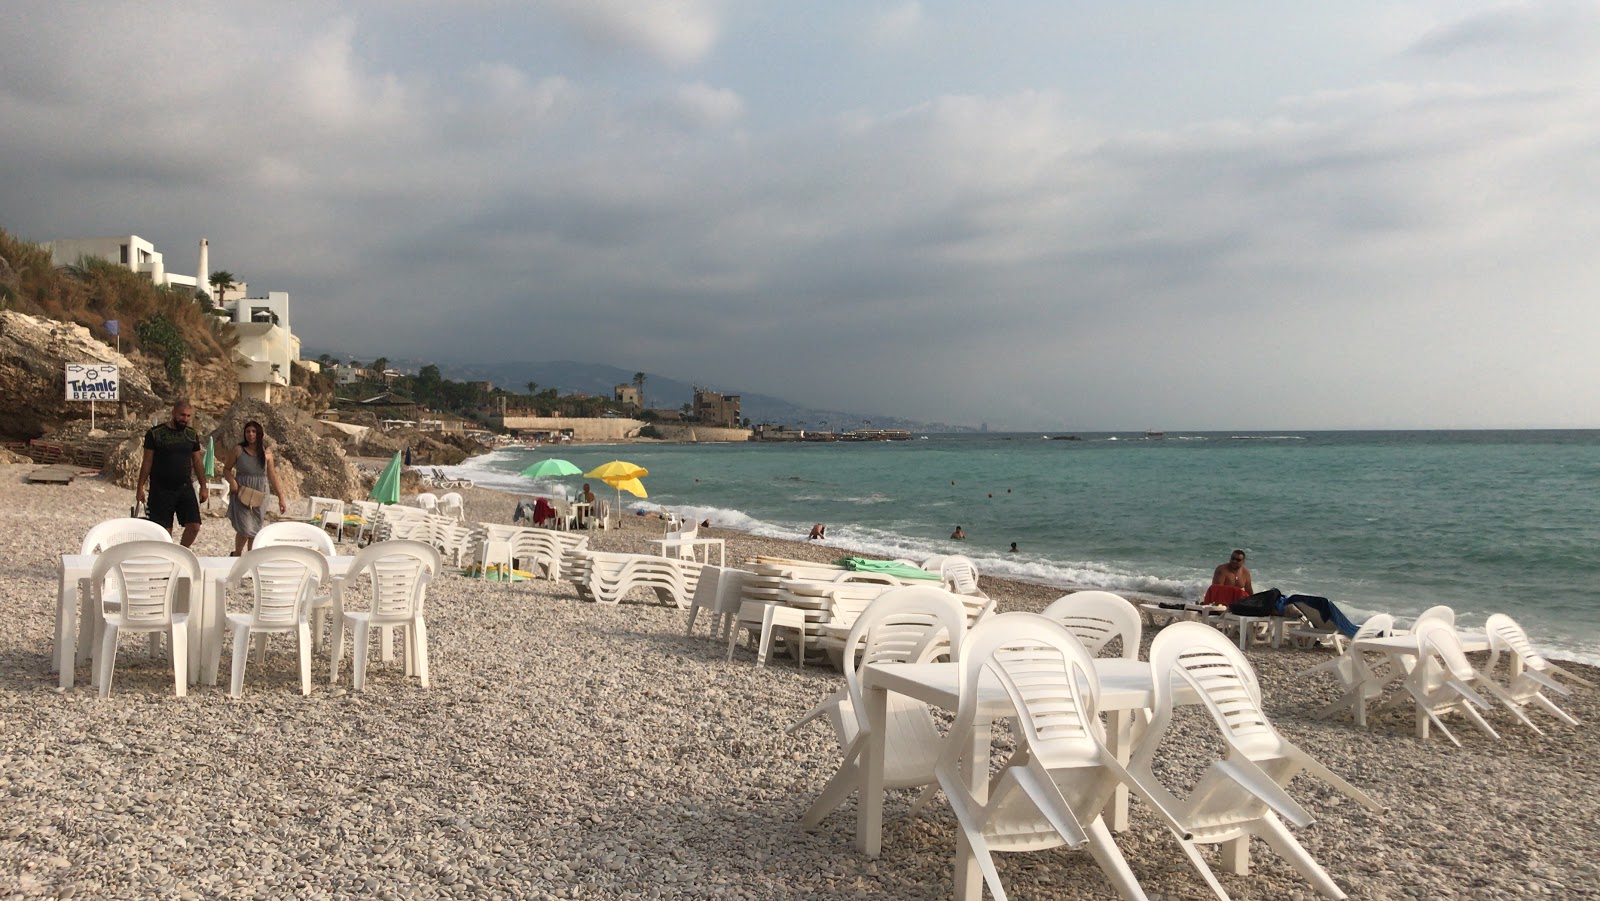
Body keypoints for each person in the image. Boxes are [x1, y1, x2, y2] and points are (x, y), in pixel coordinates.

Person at [135, 400, 206, 547]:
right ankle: (167, 559)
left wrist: (204, 486)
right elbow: (147, 461)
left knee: (194, 526)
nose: (184, 419)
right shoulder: (155, 434)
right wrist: (140, 486)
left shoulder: (191, 435)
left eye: (188, 416)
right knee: (164, 532)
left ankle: (181, 552)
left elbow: (197, 461)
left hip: (184, 486)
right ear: (173, 413)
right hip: (160, 488)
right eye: (182, 415)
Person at [221, 420, 288, 555]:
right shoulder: (238, 450)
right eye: (247, 431)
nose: (250, 434)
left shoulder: (266, 453)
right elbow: (226, 469)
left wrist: (281, 497)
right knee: (245, 528)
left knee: (255, 528)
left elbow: (272, 476)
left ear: (259, 434)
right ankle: (237, 553)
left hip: (260, 492)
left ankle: (251, 556)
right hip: (241, 491)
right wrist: (232, 482)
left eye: (253, 432)